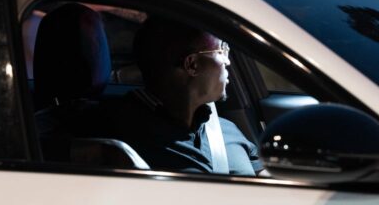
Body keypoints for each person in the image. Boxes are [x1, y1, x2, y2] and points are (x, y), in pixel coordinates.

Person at [104, 17, 263, 176]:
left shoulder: (226, 129)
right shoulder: (115, 132)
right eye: (221, 50)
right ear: (192, 64)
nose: (227, 61)